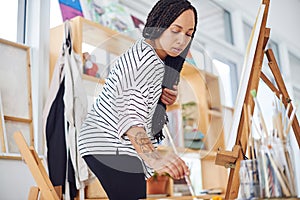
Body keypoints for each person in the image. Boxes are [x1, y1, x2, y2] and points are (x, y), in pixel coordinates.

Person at [78, 0, 198, 199]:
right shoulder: (145, 61)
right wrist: (153, 157)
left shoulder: (152, 57)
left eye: (188, 34)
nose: (182, 40)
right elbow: (129, 117)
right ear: (159, 25)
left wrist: (159, 94)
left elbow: (134, 98)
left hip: (109, 144)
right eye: (175, 30)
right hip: (108, 144)